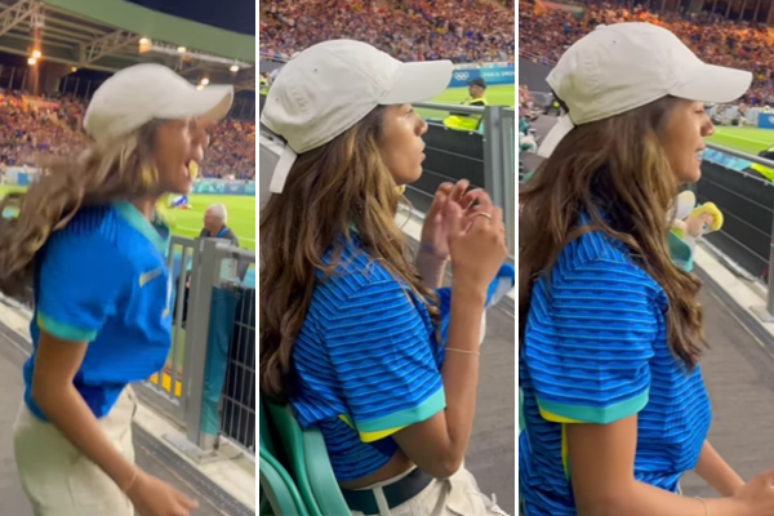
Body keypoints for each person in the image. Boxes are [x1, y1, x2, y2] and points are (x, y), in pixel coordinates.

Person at [519, 22, 774, 516]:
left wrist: (737, 491)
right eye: (698, 109)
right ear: (639, 126)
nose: (710, 128)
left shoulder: (612, 243)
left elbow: (655, 410)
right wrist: (742, 510)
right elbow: (607, 498)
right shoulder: (602, 276)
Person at [260, 39, 509, 515]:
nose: (423, 124)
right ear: (360, 139)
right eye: (407, 110)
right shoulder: (363, 289)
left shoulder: (324, 248)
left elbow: (388, 350)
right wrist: (473, 289)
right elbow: (444, 455)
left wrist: (433, 262)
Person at [0, 63, 233, 516]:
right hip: (65, 439)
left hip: (104, 409)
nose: (203, 140)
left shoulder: (141, 224)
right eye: (186, 126)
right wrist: (135, 483)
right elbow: (51, 389)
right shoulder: (99, 244)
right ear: (139, 141)